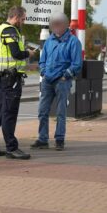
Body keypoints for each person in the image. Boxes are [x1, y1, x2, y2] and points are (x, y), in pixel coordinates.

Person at [0, 6, 34, 160]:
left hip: (1, 76)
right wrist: (28, 53)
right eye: (23, 19)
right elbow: (16, 54)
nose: (23, 22)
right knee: (9, 113)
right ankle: (12, 148)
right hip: (10, 78)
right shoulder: (10, 31)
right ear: (17, 17)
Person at [31, 12, 82, 151]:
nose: (56, 27)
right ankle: (43, 139)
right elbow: (43, 60)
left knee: (60, 112)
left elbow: (77, 64)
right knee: (42, 111)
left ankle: (59, 140)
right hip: (48, 80)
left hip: (62, 81)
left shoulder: (73, 42)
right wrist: (43, 71)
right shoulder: (49, 41)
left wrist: (66, 75)